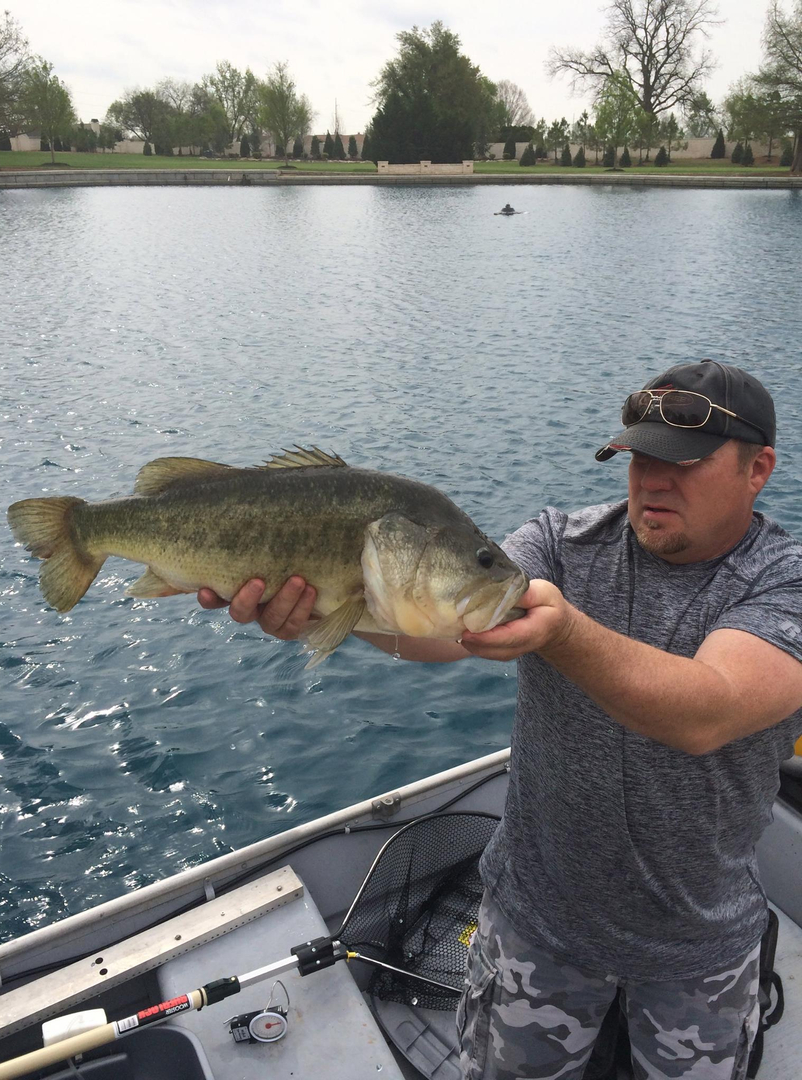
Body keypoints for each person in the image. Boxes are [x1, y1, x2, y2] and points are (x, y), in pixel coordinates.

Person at [198, 359, 802, 1080]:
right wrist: (332, 607)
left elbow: (710, 709)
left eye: (684, 463)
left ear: (758, 469)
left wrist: (565, 633)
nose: (653, 481)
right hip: (534, 928)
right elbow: (442, 630)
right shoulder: (561, 544)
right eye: (641, 459)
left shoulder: (784, 581)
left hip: (695, 952)